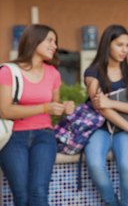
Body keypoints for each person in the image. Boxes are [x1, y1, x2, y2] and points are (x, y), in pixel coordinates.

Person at [0, 24, 75, 206]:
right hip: (13, 138)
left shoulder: (53, 74)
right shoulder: (8, 72)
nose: (55, 46)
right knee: (22, 196)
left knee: (39, 192)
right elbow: (5, 110)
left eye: (55, 42)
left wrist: (65, 107)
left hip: (44, 136)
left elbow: (53, 109)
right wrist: (44, 108)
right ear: (34, 40)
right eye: (50, 40)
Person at [84, 24, 128, 206]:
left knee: (127, 167)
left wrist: (110, 102)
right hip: (100, 128)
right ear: (107, 44)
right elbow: (100, 108)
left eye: (127, 45)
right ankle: (113, 203)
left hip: (124, 132)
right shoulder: (93, 73)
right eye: (120, 44)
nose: (125, 50)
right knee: (95, 164)